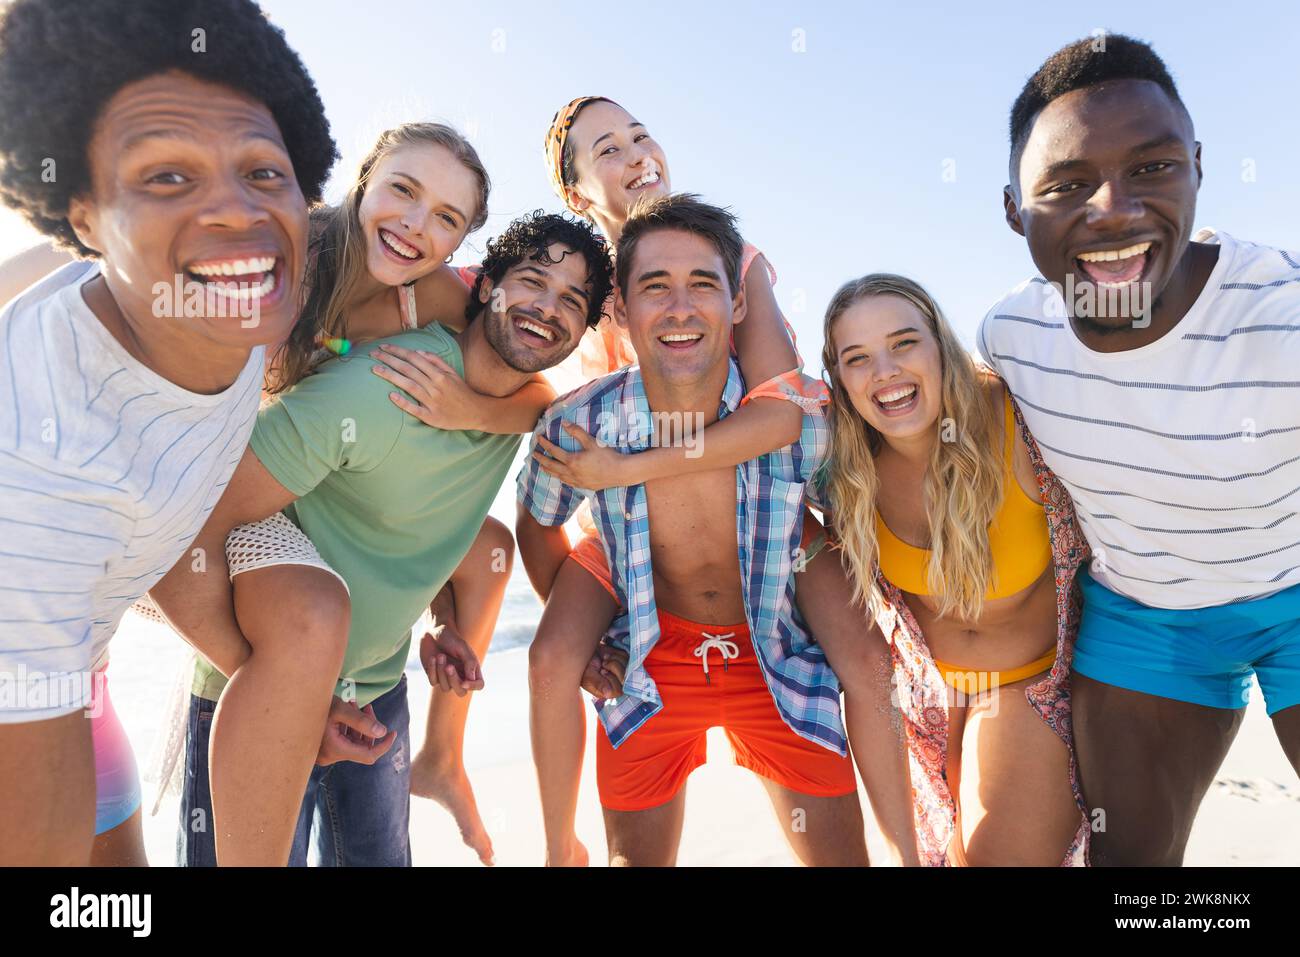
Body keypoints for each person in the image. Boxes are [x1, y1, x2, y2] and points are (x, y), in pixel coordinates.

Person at [152, 210, 613, 866]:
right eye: (533, 281)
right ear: (484, 287)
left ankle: (441, 758)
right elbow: (181, 532)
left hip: (376, 697)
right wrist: (295, 703)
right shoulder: (381, 388)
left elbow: (402, 513)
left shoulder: (523, 409)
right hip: (257, 693)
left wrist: (446, 612)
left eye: (572, 299)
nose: (547, 307)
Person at [0, 0, 334, 866]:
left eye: (264, 171)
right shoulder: (38, 475)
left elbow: (156, 520)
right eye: (166, 178)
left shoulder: (214, 314)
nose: (235, 209)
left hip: (79, 674)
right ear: (81, 217)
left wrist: (279, 683)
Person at [981, 33, 1300, 864]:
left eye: (1152, 169)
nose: (1114, 209)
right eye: (1068, 184)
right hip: (1147, 617)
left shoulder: (1282, 308)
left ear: (1196, 167)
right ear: (1015, 209)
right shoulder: (1011, 337)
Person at [519, 193, 873, 866]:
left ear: (737, 305)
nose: (681, 308)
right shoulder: (580, 422)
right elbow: (539, 524)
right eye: (655, 287)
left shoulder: (804, 422)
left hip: (775, 656)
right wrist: (587, 640)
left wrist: (830, 589)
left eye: (703, 284)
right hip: (651, 662)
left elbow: (861, 519)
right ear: (620, 309)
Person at [819, 274, 1089, 865]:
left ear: (941, 343)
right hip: (927, 702)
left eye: (904, 343)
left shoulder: (1020, 423)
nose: (884, 371)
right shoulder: (846, 468)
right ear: (838, 379)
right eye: (857, 358)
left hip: (1030, 686)